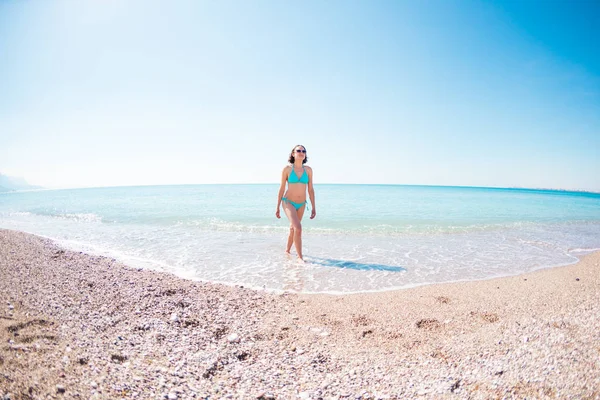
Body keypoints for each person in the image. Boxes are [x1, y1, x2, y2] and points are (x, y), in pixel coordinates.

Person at [276, 144, 316, 261]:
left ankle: (287, 251)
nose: (301, 152)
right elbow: (282, 188)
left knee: (293, 229)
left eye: (303, 151)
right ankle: (300, 258)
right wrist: (277, 207)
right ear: (293, 154)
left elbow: (311, 189)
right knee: (298, 227)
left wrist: (313, 207)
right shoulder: (287, 169)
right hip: (288, 202)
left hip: (302, 204)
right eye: (298, 150)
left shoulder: (308, 170)